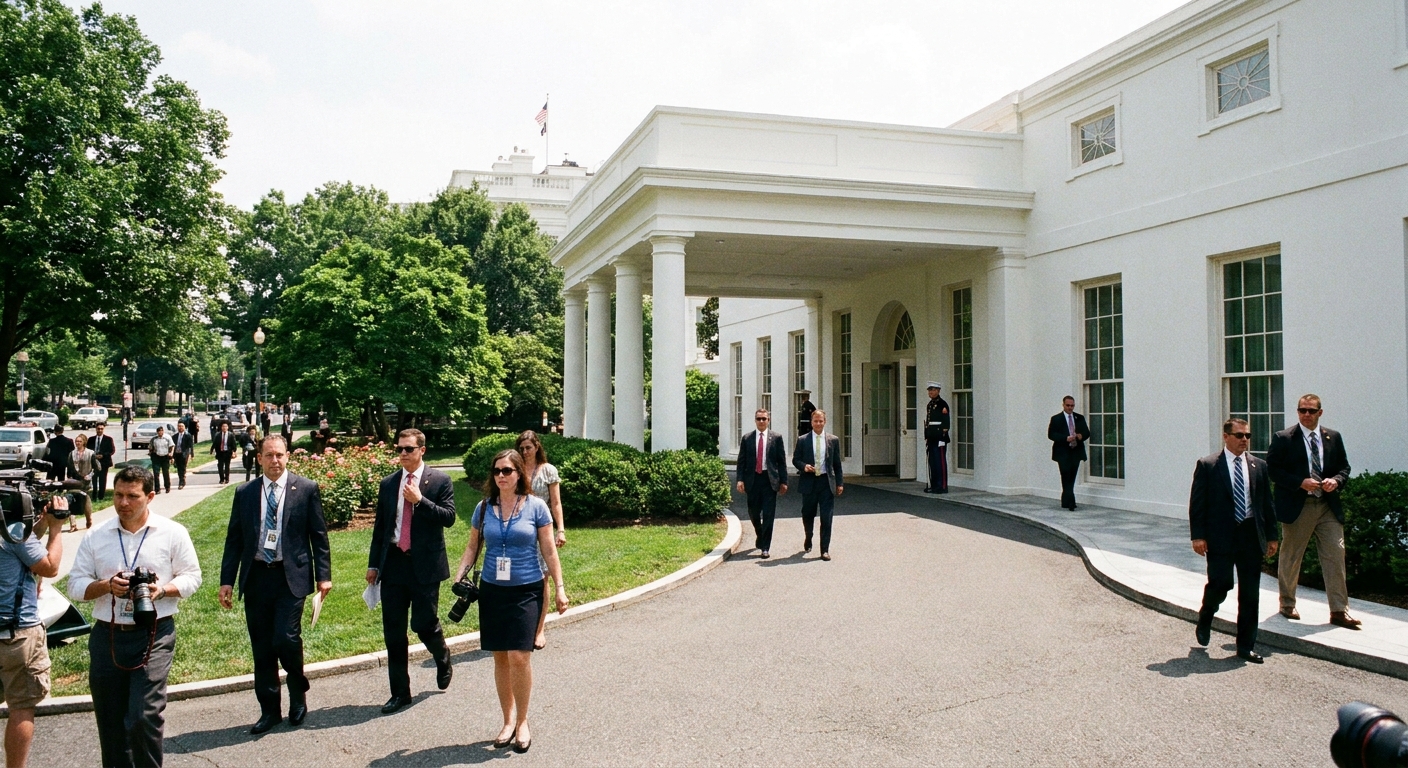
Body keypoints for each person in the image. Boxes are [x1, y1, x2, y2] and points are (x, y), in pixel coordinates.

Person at [67, 465, 202, 768]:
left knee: (144, 716)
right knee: (110, 720)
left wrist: (163, 589)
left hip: (154, 633)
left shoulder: (172, 533)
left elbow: (193, 577)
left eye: (132, 496)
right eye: (117, 495)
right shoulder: (97, 535)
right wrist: (105, 586)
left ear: (150, 496)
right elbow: (74, 585)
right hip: (108, 634)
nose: (123, 503)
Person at [218, 434, 332, 734]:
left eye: (279, 455)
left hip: (291, 577)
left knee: (285, 638)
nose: (275, 461)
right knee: (263, 649)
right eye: (268, 455)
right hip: (256, 577)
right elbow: (234, 539)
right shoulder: (245, 492)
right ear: (259, 458)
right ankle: (269, 711)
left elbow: (318, 536)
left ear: (288, 456)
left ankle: (298, 693)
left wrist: (324, 576)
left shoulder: (305, 489)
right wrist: (226, 580)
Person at [457, 449, 569, 754]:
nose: (501, 476)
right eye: (497, 471)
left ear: (519, 473)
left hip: (526, 589)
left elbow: (549, 551)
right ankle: (507, 721)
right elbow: (471, 547)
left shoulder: (536, 507)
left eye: (507, 470)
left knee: (520, 656)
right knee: (500, 658)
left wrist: (559, 588)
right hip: (493, 590)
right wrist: (460, 574)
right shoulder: (483, 509)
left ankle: (523, 721)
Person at [366, 429, 456, 714]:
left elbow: (449, 518)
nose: (403, 454)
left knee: (423, 623)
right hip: (393, 563)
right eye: (400, 449)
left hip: (425, 566)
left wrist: (419, 501)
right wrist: (374, 564)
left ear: (422, 450)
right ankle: (400, 693)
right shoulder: (389, 483)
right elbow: (381, 528)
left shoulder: (440, 481)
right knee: (393, 632)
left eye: (409, 449)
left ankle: (441, 655)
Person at [1189, 418, 1279, 663]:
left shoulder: (1258, 466)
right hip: (1220, 536)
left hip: (1250, 535)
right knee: (1221, 583)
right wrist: (1198, 536)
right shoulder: (1208, 465)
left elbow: (1266, 504)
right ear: (1226, 436)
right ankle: (1207, 614)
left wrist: (1272, 536)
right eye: (1239, 435)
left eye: (1247, 436)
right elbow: (1198, 504)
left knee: (1250, 594)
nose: (1244, 440)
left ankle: (1245, 647)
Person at [1266, 394, 1360, 629]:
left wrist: (1336, 481)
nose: (1306, 414)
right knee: (1291, 555)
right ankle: (1287, 603)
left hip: (1327, 506)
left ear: (1320, 412)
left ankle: (1339, 610)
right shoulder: (1284, 438)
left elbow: (1344, 467)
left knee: (1335, 555)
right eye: (1302, 410)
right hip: (1300, 506)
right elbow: (1273, 470)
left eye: (1311, 410)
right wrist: (1300, 482)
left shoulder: (1333, 437)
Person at [0, 494, 65, 768]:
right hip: (17, 635)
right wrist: (56, 528)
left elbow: (21, 546)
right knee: (21, 707)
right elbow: (49, 567)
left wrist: (38, 524)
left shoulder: (14, 536)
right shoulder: (13, 534)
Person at [516, 430, 566, 651]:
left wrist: (561, 530)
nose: (525, 452)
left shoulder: (548, 471)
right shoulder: (514, 469)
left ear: (537, 447)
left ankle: (539, 629)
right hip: (519, 529)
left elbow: (556, 503)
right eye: (521, 448)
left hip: (541, 530)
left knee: (542, 579)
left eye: (528, 447)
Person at [734, 409, 788, 558]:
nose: (762, 421)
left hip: (769, 480)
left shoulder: (776, 438)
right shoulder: (747, 438)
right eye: (759, 419)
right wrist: (740, 479)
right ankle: (760, 533)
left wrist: (784, 481)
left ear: (768, 420)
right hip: (753, 480)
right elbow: (741, 461)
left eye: (764, 419)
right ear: (755, 420)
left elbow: (781, 461)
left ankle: (765, 547)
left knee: (769, 514)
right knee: (753, 512)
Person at [793, 410, 844, 561]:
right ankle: (808, 536)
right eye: (815, 421)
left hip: (825, 482)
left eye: (821, 421)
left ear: (825, 422)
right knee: (807, 514)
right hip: (809, 482)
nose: (818, 424)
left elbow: (837, 464)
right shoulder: (803, 440)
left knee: (826, 517)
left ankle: (824, 550)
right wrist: (803, 466)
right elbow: (795, 459)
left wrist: (839, 483)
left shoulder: (832, 440)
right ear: (811, 422)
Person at [1047, 396, 1091, 510]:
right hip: (1063, 452)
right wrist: (1065, 438)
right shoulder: (1056, 419)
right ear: (1063, 405)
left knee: (1072, 476)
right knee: (1065, 475)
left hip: (1076, 451)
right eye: (1068, 405)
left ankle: (1065, 500)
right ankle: (1071, 501)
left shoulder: (1079, 418)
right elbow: (1051, 434)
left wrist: (1080, 436)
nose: (1070, 408)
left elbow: (1086, 432)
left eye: (1072, 406)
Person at [923, 382, 950, 494]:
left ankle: (942, 486)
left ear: (938, 391)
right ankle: (934, 485)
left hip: (939, 437)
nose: (931, 392)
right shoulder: (930, 404)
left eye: (933, 390)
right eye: (929, 390)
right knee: (932, 462)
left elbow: (945, 422)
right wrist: (927, 436)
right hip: (931, 437)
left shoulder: (942, 404)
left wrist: (942, 435)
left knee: (940, 462)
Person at [66, 434, 96, 531]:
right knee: (71, 500)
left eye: (79, 441)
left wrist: (89, 476)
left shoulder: (90, 453)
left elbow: (96, 468)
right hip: (74, 481)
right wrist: (69, 478)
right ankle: (73, 524)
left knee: (85, 499)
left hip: (85, 481)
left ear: (84, 442)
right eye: (76, 441)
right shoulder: (72, 453)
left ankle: (88, 519)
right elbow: (69, 467)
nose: (77, 443)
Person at [91, 423, 116, 501]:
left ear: (103, 429)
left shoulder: (108, 439)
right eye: (98, 429)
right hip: (93, 462)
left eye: (101, 429)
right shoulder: (91, 439)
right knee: (94, 479)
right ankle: (94, 495)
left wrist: (103, 455)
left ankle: (101, 496)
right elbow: (88, 449)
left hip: (104, 462)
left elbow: (112, 450)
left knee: (102, 479)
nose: (100, 430)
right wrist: (94, 456)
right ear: (96, 429)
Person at [147, 426, 173, 494]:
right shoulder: (154, 439)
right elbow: (150, 447)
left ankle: (167, 487)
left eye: (161, 431)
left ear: (163, 431)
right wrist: (150, 453)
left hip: (165, 457)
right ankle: (157, 489)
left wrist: (171, 454)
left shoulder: (167, 438)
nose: (160, 432)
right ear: (157, 432)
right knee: (156, 474)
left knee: (166, 473)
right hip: (156, 457)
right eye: (159, 431)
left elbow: (172, 446)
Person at [171, 422, 194, 491]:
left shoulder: (188, 436)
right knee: (178, 468)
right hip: (177, 454)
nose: (180, 427)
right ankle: (182, 479)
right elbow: (172, 446)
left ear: (184, 427)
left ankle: (181, 482)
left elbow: (190, 446)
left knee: (183, 468)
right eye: (179, 426)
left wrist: (191, 455)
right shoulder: (174, 436)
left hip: (184, 454)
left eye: (182, 426)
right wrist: (172, 456)